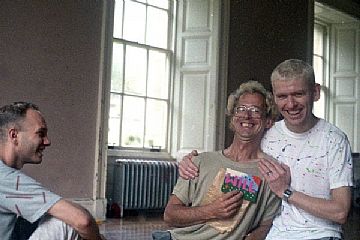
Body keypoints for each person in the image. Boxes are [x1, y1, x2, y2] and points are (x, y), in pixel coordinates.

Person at [179, 59, 354, 240]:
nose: (291, 104)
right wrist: (191, 162)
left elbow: (340, 212)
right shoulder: (265, 134)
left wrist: (286, 191)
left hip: (320, 235)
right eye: (282, 96)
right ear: (275, 97)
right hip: (273, 234)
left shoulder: (334, 140)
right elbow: (233, 159)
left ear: (315, 92)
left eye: (298, 94)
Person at [160, 81, 281, 240]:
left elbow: (267, 224)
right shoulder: (199, 162)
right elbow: (170, 216)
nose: (246, 115)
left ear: (268, 121)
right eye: (241, 109)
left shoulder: (271, 173)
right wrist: (211, 211)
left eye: (255, 110)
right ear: (233, 118)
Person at [0, 102, 105, 240]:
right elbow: (83, 221)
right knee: (66, 223)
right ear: (14, 136)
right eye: (41, 134)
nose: (47, 141)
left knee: (38, 216)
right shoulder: (5, 178)